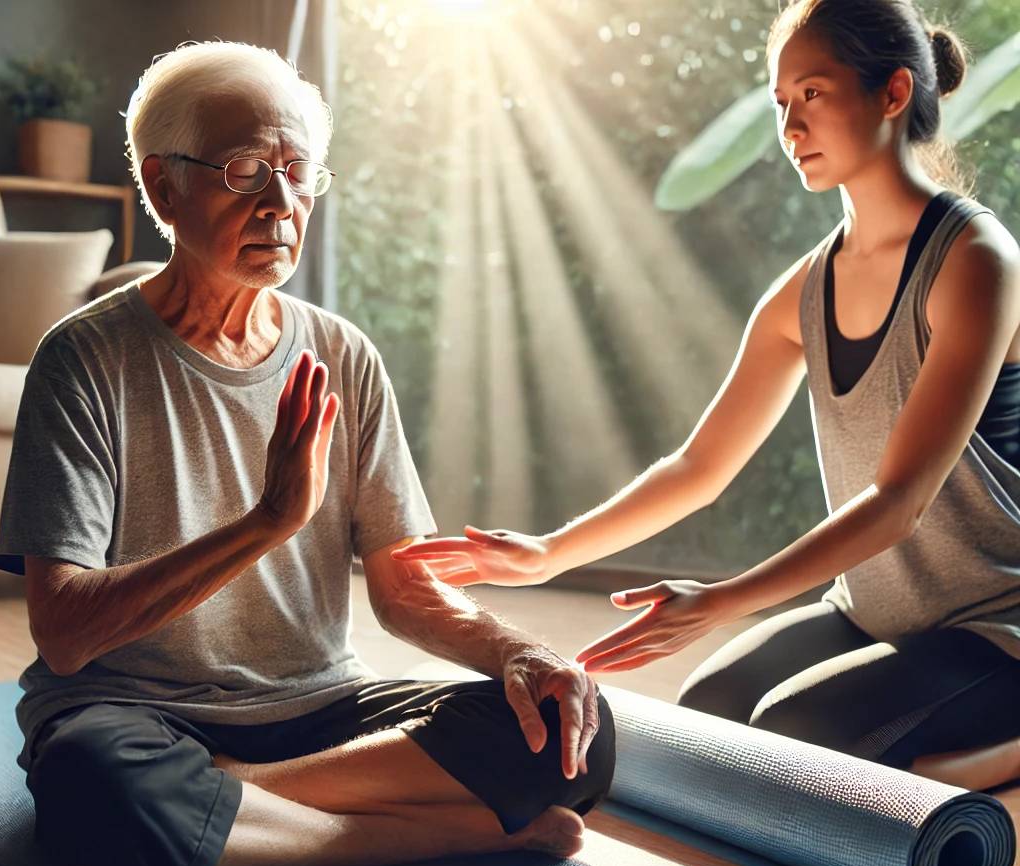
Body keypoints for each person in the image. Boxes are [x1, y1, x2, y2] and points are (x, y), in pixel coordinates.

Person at [0, 40, 613, 866]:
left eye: (298, 171)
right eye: (247, 170)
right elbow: (61, 636)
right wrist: (264, 522)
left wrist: (520, 651)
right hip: (136, 714)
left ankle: (235, 801)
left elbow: (404, 591)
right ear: (164, 186)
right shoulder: (83, 360)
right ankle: (443, 835)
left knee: (568, 735)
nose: (281, 203)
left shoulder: (343, 354)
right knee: (99, 787)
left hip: (318, 709)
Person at [396, 0, 1020, 792]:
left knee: (797, 736)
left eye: (815, 94)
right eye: (782, 103)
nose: (792, 126)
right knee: (713, 716)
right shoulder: (807, 288)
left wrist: (719, 600)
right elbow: (699, 465)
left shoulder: (975, 260)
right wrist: (549, 553)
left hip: (994, 623)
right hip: (876, 612)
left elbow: (900, 500)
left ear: (893, 93)